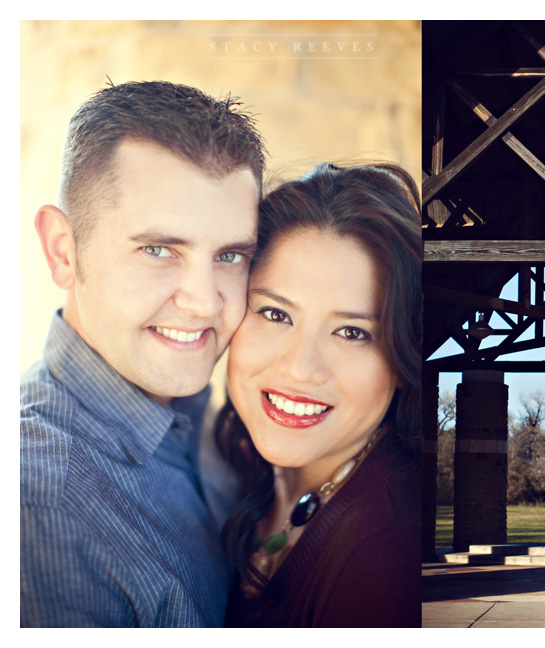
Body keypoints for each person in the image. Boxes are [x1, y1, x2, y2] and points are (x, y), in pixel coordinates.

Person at [20, 80, 265, 627]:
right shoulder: (39, 508)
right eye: (158, 250)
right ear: (64, 250)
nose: (203, 303)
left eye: (229, 255)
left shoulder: (214, 418)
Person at [215, 162, 422, 627]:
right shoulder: (229, 451)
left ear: (404, 357)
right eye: (275, 314)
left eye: (351, 331)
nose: (301, 369)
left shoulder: (384, 561)